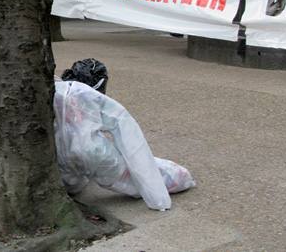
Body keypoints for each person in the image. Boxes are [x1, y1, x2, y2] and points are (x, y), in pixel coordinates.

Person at [54, 58, 195, 211]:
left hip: (57, 154)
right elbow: (125, 128)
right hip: (93, 152)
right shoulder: (89, 95)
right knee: (134, 176)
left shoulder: (53, 88)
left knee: (75, 180)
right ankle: (176, 181)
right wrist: (157, 198)